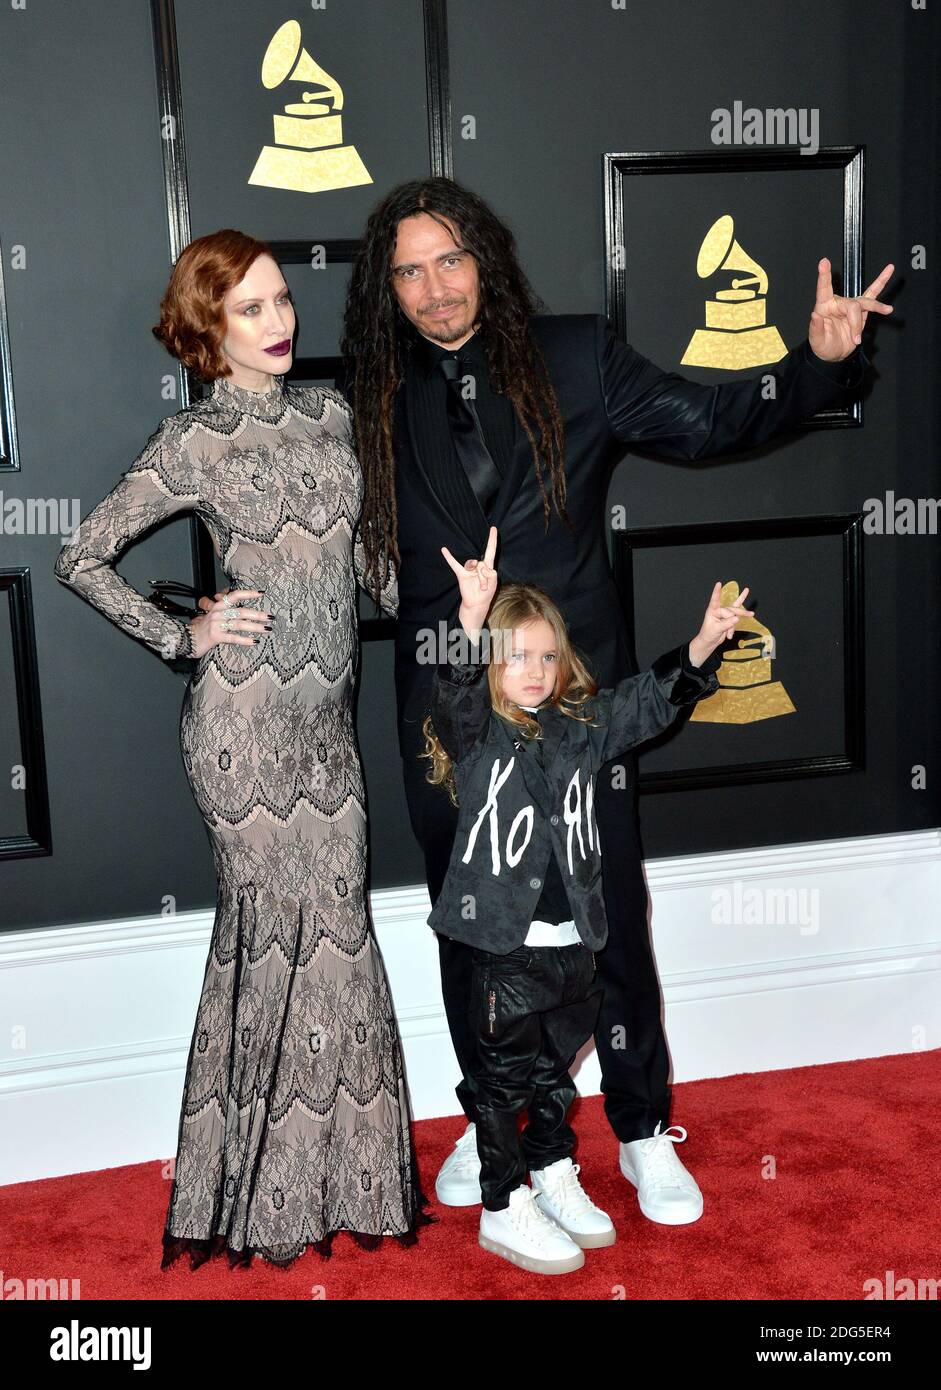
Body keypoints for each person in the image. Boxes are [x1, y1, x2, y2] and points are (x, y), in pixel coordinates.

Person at [341, 176, 895, 1219]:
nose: (433, 288)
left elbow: (711, 422)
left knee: (606, 923)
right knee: (472, 924)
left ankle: (640, 1127)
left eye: (449, 260)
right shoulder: (372, 400)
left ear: (485, 261)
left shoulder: (575, 355)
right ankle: (496, 1118)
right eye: (408, 271)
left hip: (577, 698)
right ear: (387, 290)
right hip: (445, 714)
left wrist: (816, 365)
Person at [53, 228, 432, 1269]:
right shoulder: (192, 445)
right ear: (206, 332)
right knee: (270, 940)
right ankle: (256, 1195)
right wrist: (186, 635)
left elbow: (373, 566)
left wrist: (448, 599)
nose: (280, 322)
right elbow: (79, 556)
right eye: (251, 309)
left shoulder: (332, 414)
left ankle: (348, 1178)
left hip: (326, 729)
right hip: (242, 729)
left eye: (280, 301)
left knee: (341, 934)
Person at [421, 525, 745, 1273]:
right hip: (503, 950)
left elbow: (647, 703)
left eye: (543, 656)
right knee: (502, 1089)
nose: (531, 671)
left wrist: (700, 646)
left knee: (551, 1081)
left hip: (575, 951)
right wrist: (470, 626)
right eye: (514, 658)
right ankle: (504, 1206)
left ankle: (554, 1172)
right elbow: (457, 695)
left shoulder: (582, 727)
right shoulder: (477, 738)